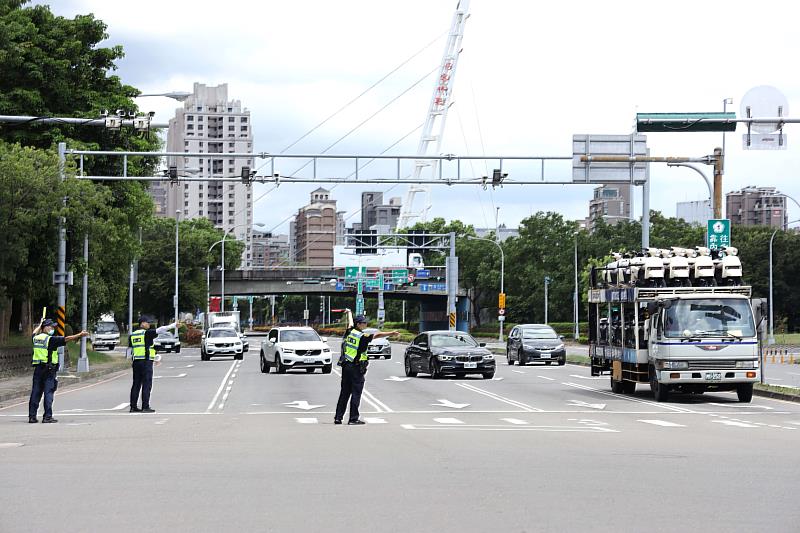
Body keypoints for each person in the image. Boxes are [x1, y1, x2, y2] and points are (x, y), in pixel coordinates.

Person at [334, 313, 399, 425]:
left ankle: (338, 417)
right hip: (356, 367)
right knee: (356, 393)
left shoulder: (349, 332)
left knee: (344, 393)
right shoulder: (362, 337)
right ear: (358, 324)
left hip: (346, 366)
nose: (366, 324)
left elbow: (350, 323)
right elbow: (377, 335)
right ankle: (353, 419)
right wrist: (391, 333)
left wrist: (349, 313)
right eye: (364, 323)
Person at [29, 318, 89, 423]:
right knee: (49, 392)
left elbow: (34, 332)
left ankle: (32, 417)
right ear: (45, 327)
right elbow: (67, 338)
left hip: (38, 369)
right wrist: (80, 334)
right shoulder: (50, 339)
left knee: (36, 393)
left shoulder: (36, 338)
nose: (52, 328)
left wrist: (40, 324)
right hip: (49, 370)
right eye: (50, 326)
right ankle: (47, 417)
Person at [129, 316, 179, 413]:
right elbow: (160, 330)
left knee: (136, 384)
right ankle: (145, 406)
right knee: (147, 384)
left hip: (136, 362)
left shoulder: (133, 335)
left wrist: (155, 357)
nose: (149, 324)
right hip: (146, 362)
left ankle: (133, 406)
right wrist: (173, 325)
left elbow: (130, 350)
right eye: (147, 322)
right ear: (142, 324)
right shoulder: (147, 333)